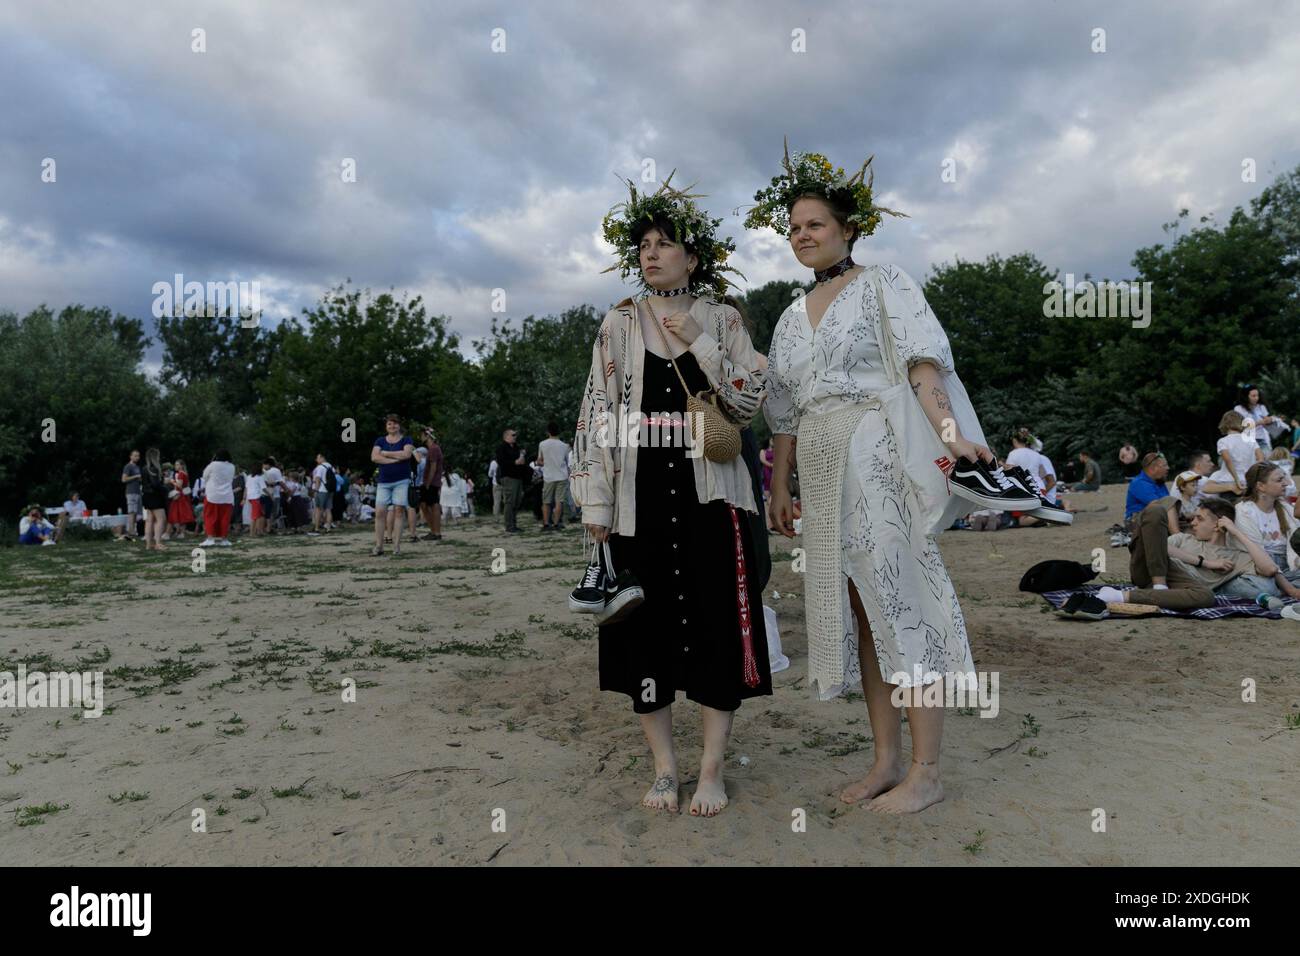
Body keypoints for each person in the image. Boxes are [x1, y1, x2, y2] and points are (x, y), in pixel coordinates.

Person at [754, 143, 995, 814]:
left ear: (848, 227)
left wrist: (952, 436)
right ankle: (886, 760)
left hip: (875, 453)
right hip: (822, 468)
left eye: (815, 225)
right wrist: (780, 486)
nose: (803, 235)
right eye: (795, 228)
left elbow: (923, 365)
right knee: (859, 613)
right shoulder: (787, 317)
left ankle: (928, 768)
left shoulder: (885, 284)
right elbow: (784, 410)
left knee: (900, 601)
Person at [573, 174, 772, 817]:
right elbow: (596, 414)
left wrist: (698, 340)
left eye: (665, 244)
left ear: (693, 255)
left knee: (717, 630)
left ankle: (711, 770)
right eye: (643, 246)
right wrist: (596, 504)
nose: (651, 254)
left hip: (712, 499)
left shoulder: (722, 317)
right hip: (640, 503)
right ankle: (665, 769)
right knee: (644, 636)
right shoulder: (617, 324)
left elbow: (748, 401)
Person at [1088, 498, 1290, 609]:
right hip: (1153, 570)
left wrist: (1236, 532)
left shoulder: (1235, 556)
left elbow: (1270, 568)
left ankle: (1118, 596)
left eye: (1200, 519)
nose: (1192, 523)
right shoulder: (1183, 539)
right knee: (1157, 510)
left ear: (1219, 523)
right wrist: (1205, 563)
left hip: (1181, 588)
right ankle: (1159, 585)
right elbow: (1156, 547)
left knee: (1206, 597)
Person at [1230, 462, 1300, 595]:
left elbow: (1294, 554)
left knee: (1271, 588)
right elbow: (1261, 560)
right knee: (1266, 588)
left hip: (1288, 566)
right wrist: (1291, 590)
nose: (1286, 483)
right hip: (1259, 567)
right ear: (1260, 486)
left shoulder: (1286, 509)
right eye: (1279, 480)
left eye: (1284, 478)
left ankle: (1280, 589)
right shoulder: (1244, 512)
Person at [371, 414, 414, 556]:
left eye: (395, 423)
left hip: (401, 481)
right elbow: (374, 457)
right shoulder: (380, 440)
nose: (392, 426)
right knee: (379, 513)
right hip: (383, 482)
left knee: (399, 511)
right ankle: (379, 546)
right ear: (386, 426)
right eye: (389, 424)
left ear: (399, 425)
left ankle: (396, 546)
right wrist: (394, 459)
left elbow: (407, 454)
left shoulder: (407, 439)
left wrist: (386, 454)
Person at [1203, 409, 1264, 496]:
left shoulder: (1223, 441)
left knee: (1206, 487)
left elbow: (1228, 460)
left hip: (1229, 479)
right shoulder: (1250, 440)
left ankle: (1229, 487)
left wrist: (1236, 480)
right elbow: (1261, 459)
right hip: (1248, 479)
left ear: (1225, 424)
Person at [494, 428, 529, 534]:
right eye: (513, 435)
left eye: (515, 435)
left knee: (516, 501)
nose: (515, 437)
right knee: (510, 501)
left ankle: (514, 524)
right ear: (506, 436)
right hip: (508, 477)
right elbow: (501, 462)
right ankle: (509, 525)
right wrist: (515, 462)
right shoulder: (501, 448)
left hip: (518, 477)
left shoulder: (516, 447)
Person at [538, 421, 570, 531]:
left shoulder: (542, 444)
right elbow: (567, 462)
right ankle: (557, 523)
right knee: (559, 501)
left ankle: (546, 523)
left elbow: (540, 461)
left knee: (546, 501)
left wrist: (545, 463)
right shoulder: (565, 446)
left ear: (548, 432)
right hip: (561, 475)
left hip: (548, 476)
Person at [200, 449, 236, 547]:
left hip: (213, 494)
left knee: (210, 516)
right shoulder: (232, 466)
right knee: (224, 518)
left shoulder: (213, 465)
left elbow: (204, 475)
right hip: (227, 496)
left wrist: (212, 462)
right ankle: (224, 539)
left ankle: (210, 538)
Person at [1124, 452, 1169, 527]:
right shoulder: (1139, 483)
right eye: (1164, 465)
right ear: (1152, 469)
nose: (1168, 468)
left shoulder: (1160, 482)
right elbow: (1158, 506)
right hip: (1135, 521)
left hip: (1156, 518)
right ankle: (1176, 534)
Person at [1234, 384, 1283, 452]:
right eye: (1253, 396)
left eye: (1257, 395)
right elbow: (1240, 426)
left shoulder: (1261, 407)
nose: (1256, 398)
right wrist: (1259, 422)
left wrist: (1271, 419)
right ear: (1245, 397)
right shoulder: (1238, 409)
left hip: (1261, 439)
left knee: (1266, 460)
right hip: (1247, 441)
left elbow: (1266, 421)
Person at [140, 447, 169, 550]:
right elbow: (155, 484)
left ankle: (149, 544)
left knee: (149, 520)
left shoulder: (144, 468)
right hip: (155, 496)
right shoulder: (155, 468)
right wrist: (165, 487)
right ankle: (158, 543)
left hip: (146, 496)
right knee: (161, 519)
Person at [419, 427, 444, 540]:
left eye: (422, 435)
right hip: (431, 481)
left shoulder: (433, 449)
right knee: (424, 505)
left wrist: (428, 483)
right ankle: (433, 530)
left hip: (432, 482)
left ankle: (436, 532)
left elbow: (433, 468)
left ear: (427, 436)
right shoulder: (432, 449)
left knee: (433, 505)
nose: (421, 437)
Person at [167, 459, 196, 538]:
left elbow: (179, 485)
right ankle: (181, 533)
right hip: (184, 496)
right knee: (182, 515)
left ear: (181, 466)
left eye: (177, 464)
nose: (175, 466)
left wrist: (172, 481)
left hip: (179, 496)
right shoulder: (185, 474)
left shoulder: (180, 474)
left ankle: (178, 531)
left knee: (176, 514)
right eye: (175, 464)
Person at [310, 453, 335, 534]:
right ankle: (328, 528)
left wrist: (316, 491)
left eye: (317, 458)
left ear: (322, 458)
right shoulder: (331, 466)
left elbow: (317, 479)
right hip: (330, 490)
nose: (316, 460)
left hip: (321, 490)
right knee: (328, 509)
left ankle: (317, 528)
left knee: (318, 509)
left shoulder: (320, 467)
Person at [121, 449, 142, 538]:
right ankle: (131, 531)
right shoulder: (128, 466)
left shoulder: (137, 467)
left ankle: (133, 530)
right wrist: (136, 476)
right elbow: (124, 479)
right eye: (135, 455)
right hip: (130, 491)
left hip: (137, 491)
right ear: (131, 456)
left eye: (138, 456)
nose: (137, 457)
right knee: (131, 511)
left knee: (135, 512)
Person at [261, 458, 284, 533]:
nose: (263, 466)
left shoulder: (264, 472)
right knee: (273, 512)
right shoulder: (275, 471)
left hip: (264, 494)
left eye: (264, 464)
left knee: (266, 512)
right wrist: (286, 490)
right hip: (274, 494)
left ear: (268, 464)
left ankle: (265, 528)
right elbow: (280, 482)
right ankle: (269, 528)